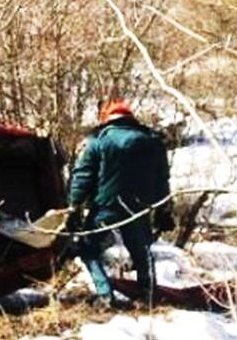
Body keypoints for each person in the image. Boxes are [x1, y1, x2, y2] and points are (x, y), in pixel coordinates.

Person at [67, 98, 175, 308]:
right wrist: (164, 210)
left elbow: (83, 176)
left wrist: (74, 207)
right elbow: (162, 179)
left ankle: (105, 295)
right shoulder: (153, 142)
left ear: (108, 119)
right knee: (142, 252)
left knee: (88, 249)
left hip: (106, 206)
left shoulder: (98, 141)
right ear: (131, 119)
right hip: (140, 207)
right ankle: (147, 295)